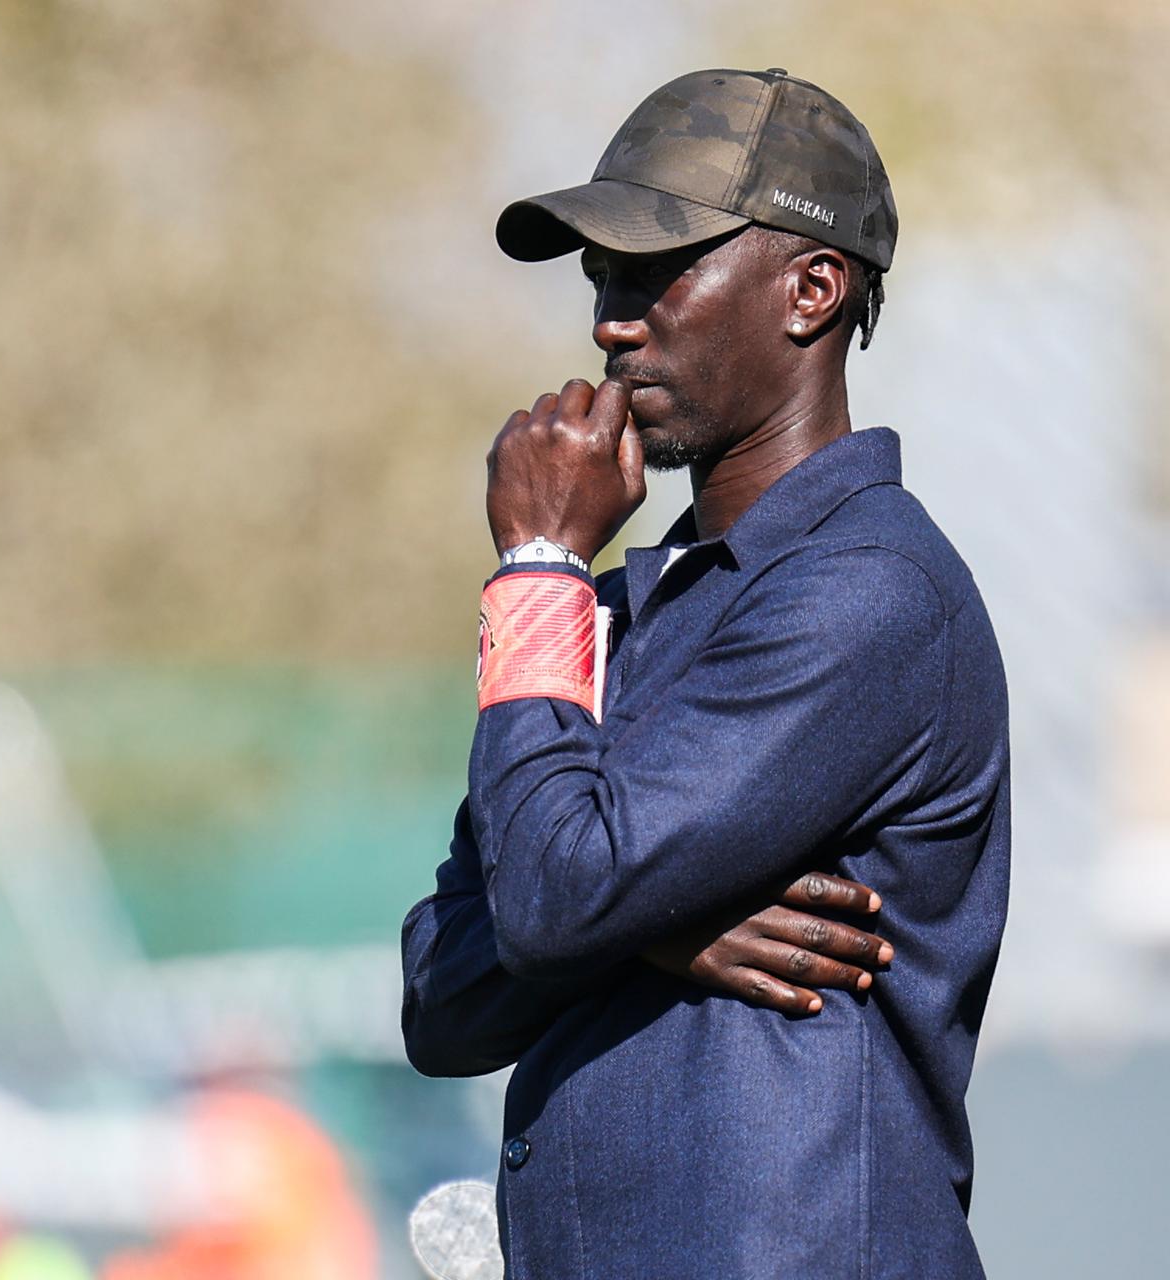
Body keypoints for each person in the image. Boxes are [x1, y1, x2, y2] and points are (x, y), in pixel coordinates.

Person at [401, 67, 1010, 1278]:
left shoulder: (870, 591)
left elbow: (549, 900)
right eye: (601, 278)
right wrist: (643, 928)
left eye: (653, 272)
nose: (610, 321)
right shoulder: (621, 608)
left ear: (812, 289)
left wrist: (534, 562)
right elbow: (440, 994)